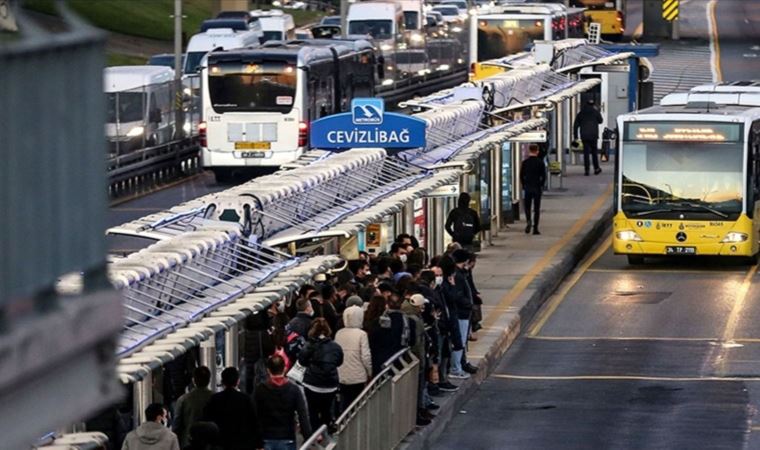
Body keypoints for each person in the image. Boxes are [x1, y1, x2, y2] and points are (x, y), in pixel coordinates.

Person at [255, 355, 312, 450]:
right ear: (285, 369)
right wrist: (308, 438)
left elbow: (254, 416)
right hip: (287, 437)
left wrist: (256, 442)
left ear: (268, 370)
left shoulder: (260, 390)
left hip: (266, 438)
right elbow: (303, 417)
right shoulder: (294, 390)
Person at [298, 318, 344, 431]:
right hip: (330, 385)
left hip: (312, 383)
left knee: (312, 410)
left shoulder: (309, 346)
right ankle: (327, 430)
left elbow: (302, 361)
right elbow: (339, 362)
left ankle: (315, 434)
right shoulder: (336, 347)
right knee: (327, 410)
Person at [203, 367, 261, 450]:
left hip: (221, 444)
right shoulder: (246, 399)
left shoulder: (215, 399)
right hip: (242, 444)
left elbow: (207, 420)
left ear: (222, 381)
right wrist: (258, 444)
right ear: (238, 381)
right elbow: (254, 423)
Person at [334, 305, 373, 412]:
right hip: (358, 375)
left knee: (343, 402)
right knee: (356, 404)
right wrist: (370, 372)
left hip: (341, 374)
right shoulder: (362, 334)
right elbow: (366, 356)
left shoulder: (339, 333)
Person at [173, 367, 213, 448]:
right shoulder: (215, 398)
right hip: (210, 444)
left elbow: (176, 426)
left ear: (193, 380)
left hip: (188, 443)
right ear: (209, 380)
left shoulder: (183, 399)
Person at [520, 143, 546, 236]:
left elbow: (521, 176)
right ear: (537, 151)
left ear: (529, 151)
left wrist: (524, 185)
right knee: (536, 208)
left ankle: (528, 221)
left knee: (527, 207)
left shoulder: (525, 163)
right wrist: (541, 185)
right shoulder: (540, 162)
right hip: (537, 187)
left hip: (528, 187)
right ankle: (535, 228)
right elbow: (543, 176)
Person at [574, 99, 604, 176]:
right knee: (594, 152)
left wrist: (575, 136)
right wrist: (597, 112)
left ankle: (587, 170)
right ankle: (596, 168)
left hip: (584, 135)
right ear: (593, 105)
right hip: (593, 135)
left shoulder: (581, 113)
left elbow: (575, 125)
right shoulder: (595, 112)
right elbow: (600, 121)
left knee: (586, 153)